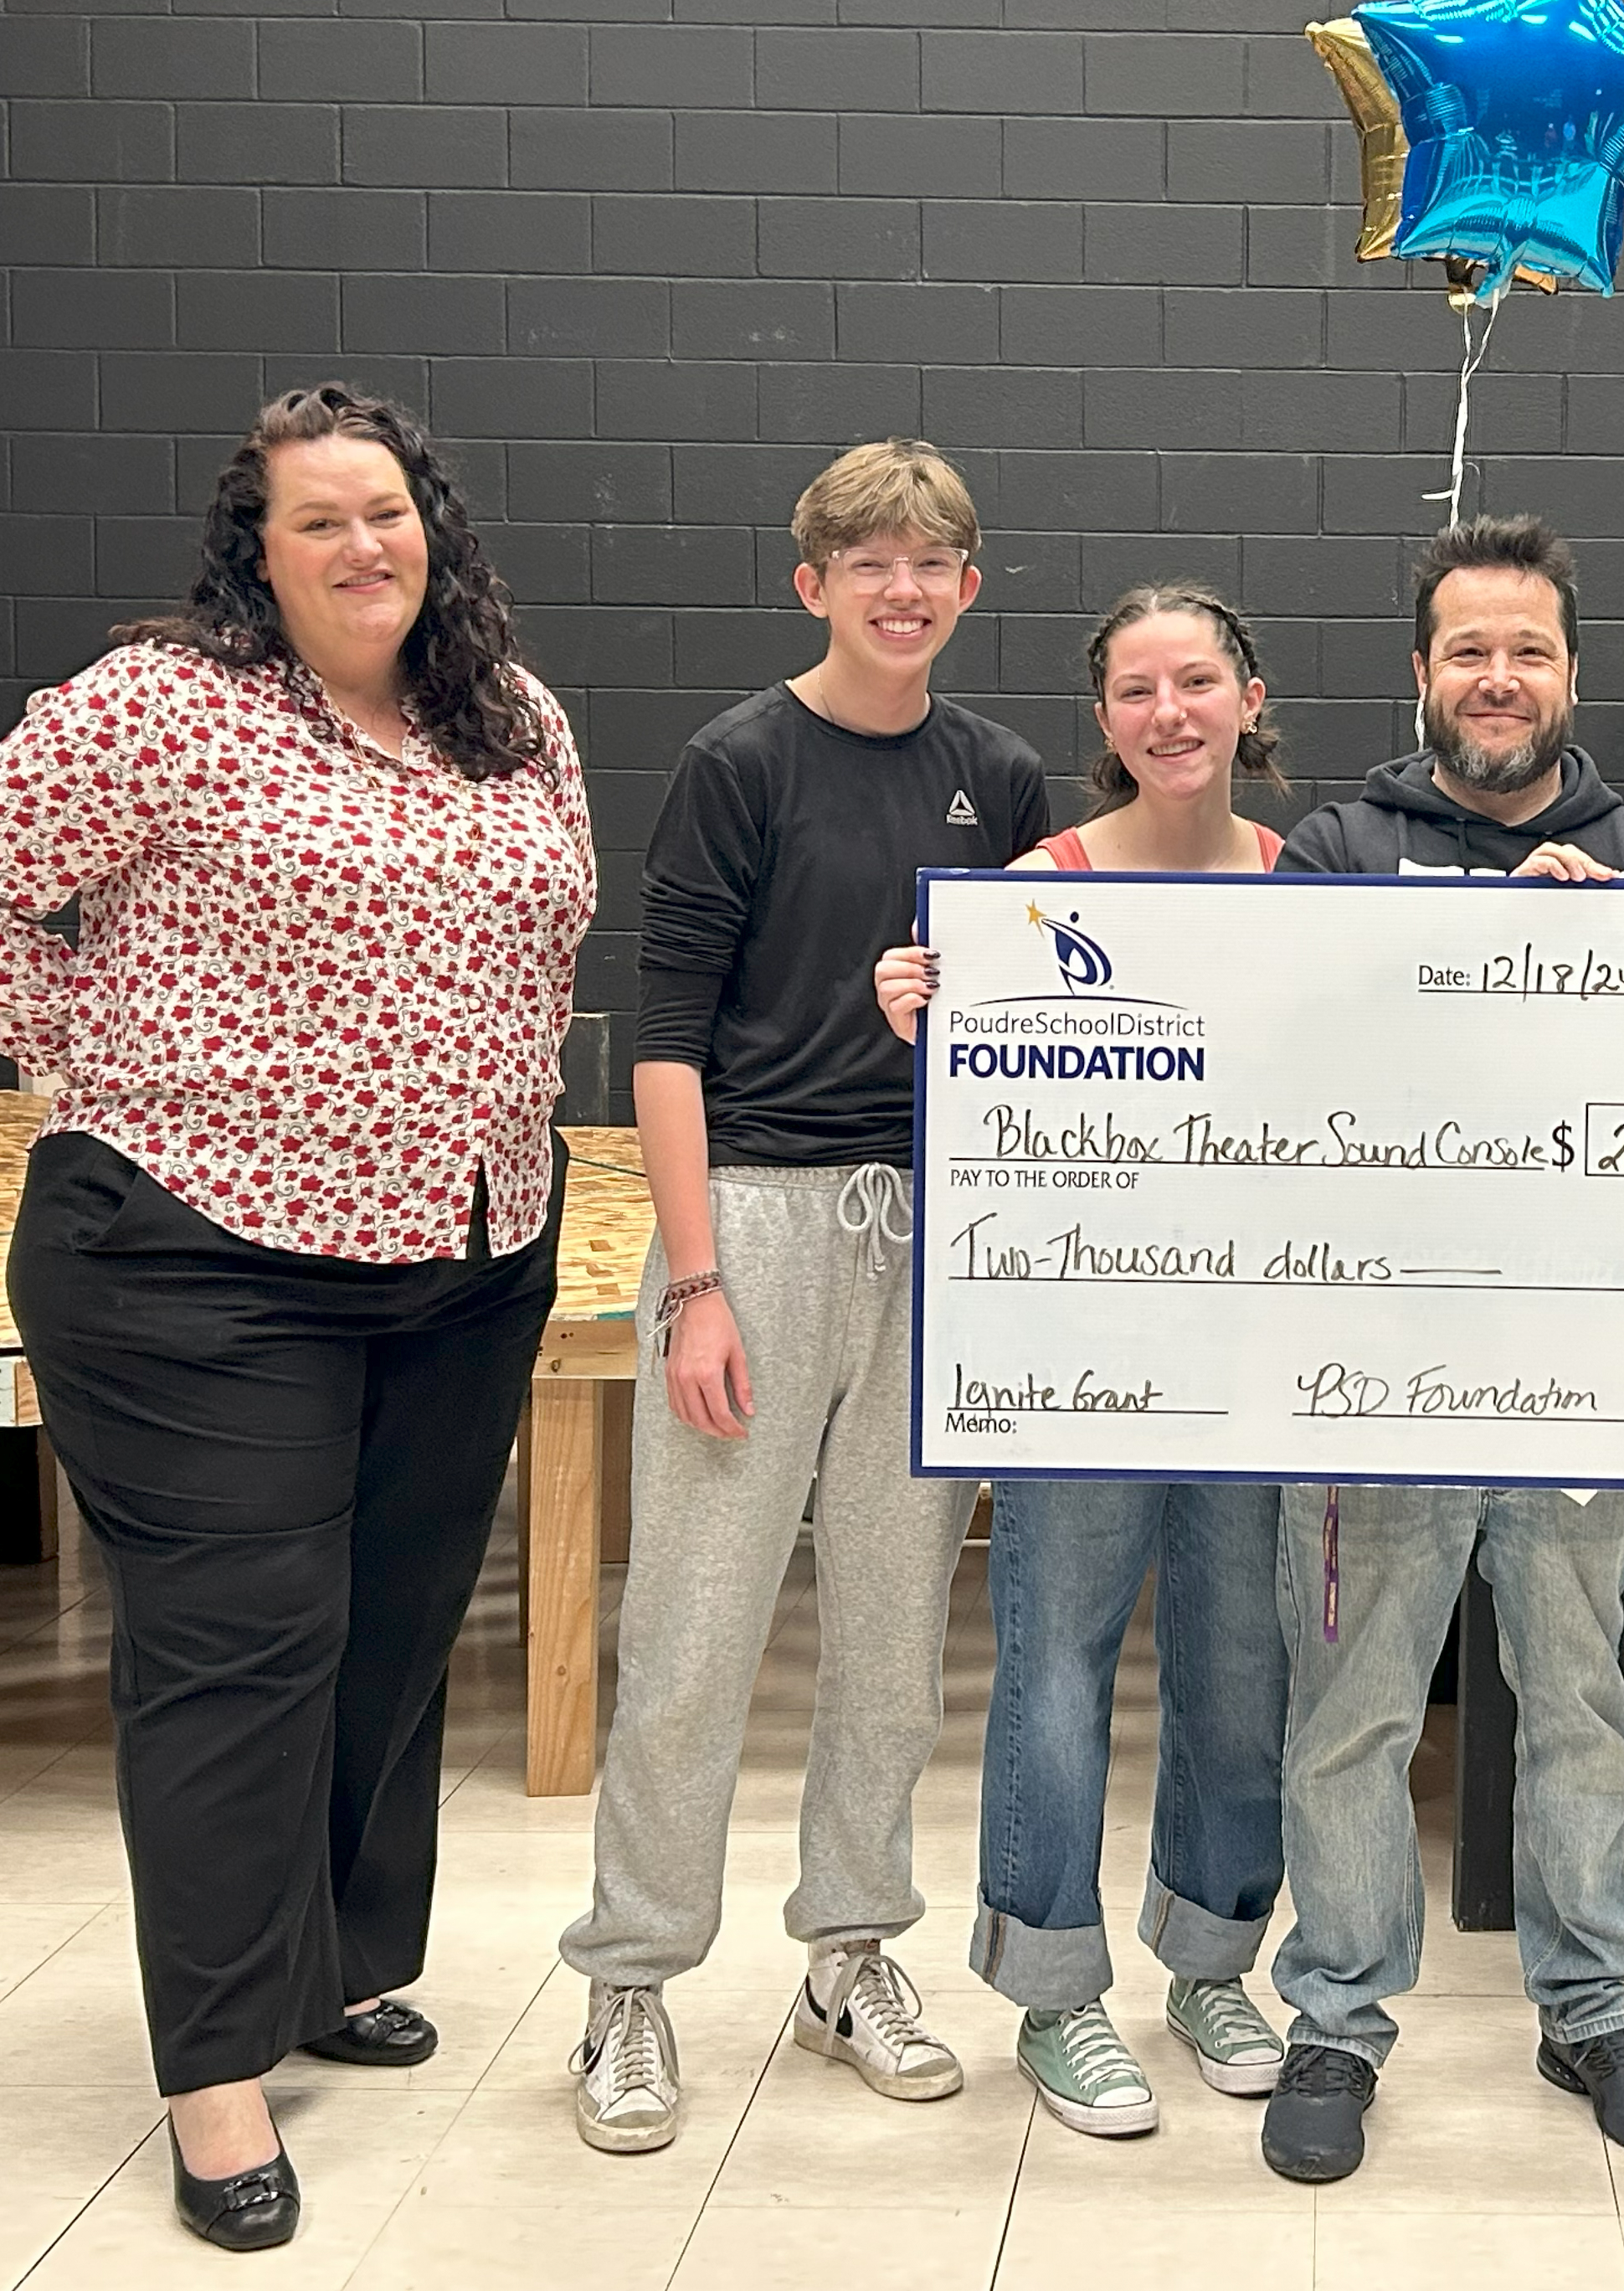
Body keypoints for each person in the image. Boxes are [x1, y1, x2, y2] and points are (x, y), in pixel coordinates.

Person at [0, 384, 596, 2253]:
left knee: (393, 1634)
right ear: (255, 557)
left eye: (387, 511)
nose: (365, 546)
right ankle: (212, 2078)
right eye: (318, 523)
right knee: (241, 1652)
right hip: (201, 1259)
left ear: (430, 525)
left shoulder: (513, 724)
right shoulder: (162, 709)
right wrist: (92, 1054)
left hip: (467, 1250)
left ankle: (335, 1968)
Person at [558, 440, 1051, 2155]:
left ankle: (851, 1955)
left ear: (969, 587)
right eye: (870, 565)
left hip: (929, 1232)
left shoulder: (1002, 771)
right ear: (815, 584)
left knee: (900, 1644)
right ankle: (631, 1977)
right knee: (693, 1635)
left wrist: (953, 1020)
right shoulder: (738, 761)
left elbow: (1035, 1031)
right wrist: (694, 1285)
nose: (901, 591)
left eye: (932, 565)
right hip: (756, 1228)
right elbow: (670, 1046)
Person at [1256, 514, 1624, 2186]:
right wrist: (1470, 958)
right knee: (1355, 1712)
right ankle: (1336, 2015)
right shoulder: (1333, 847)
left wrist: (1606, 963)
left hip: (1579, 1375)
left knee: (1582, 1704)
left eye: (1527, 648)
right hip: (1370, 1367)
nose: (1498, 677)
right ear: (1422, 671)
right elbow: (1279, 1085)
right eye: (1468, 649)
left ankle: (1594, 2005)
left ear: (1572, 672)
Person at [869, 584, 1296, 2137]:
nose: (1170, 713)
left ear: (1251, 696)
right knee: (1055, 1665)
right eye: (1136, 690)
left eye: (1198, 680)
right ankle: (1056, 1996)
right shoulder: (1028, 893)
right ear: (1103, 719)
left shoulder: (1313, 882)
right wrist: (921, 1015)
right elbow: (994, 1132)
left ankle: (1211, 1962)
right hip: (1076, 1355)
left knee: (1242, 1669)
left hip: (1258, 1349)